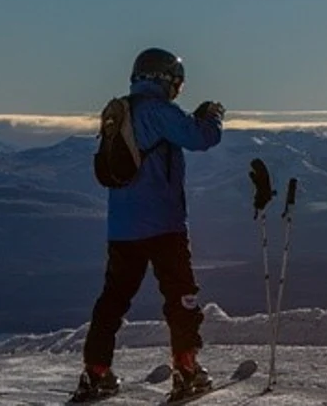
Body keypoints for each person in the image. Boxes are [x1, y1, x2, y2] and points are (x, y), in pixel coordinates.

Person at [73, 48, 225, 403]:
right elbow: (201, 138)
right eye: (176, 83)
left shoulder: (120, 113)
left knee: (113, 300)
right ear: (164, 80)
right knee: (181, 296)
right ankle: (186, 370)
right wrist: (214, 117)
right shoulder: (158, 111)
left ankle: (96, 373)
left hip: (122, 228)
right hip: (164, 224)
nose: (177, 90)